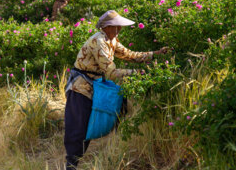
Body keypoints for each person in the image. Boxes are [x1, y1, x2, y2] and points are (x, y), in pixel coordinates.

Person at [64, 10, 168, 169]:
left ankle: (108, 153)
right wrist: (137, 73)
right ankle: (71, 165)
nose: (118, 30)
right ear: (106, 27)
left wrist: (155, 54)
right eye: (115, 27)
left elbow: (129, 55)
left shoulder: (111, 40)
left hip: (95, 86)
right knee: (78, 127)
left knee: (104, 118)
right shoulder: (98, 42)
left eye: (119, 27)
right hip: (80, 88)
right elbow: (111, 73)